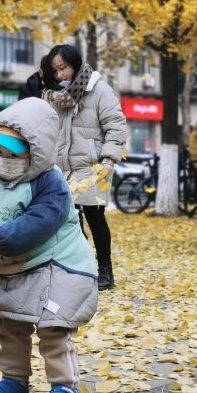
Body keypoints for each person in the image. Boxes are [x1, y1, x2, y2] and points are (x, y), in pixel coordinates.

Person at [0, 97, 98, 393]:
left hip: (60, 264)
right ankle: (14, 381)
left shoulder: (51, 182)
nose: (4, 160)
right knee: (11, 324)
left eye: (13, 154)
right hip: (20, 264)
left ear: (36, 152)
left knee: (53, 328)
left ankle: (64, 387)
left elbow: (39, 221)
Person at [40, 44, 127, 291]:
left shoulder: (99, 90)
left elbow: (116, 126)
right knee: (70, 220)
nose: (60, 75)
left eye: (63, 68)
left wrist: (109, 160)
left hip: (93, 167)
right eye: (55, 70)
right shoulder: (53, 96)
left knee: (95, 218)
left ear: (75, 64)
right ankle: (83, 266)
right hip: (62, 168)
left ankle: (105, 269)